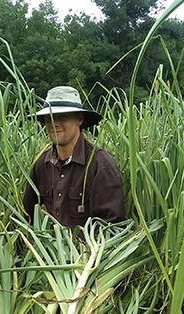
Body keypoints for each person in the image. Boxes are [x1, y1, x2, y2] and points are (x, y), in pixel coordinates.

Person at [23, 86, 125, 231]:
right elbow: (26, 214)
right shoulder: (41, 164)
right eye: (49, 117)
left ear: (79, 119)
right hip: (50, 251)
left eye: (62, 116)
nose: (54, 123)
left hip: (90, 251)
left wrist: (84, 251)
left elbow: (111, 227)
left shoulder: (100, 165)